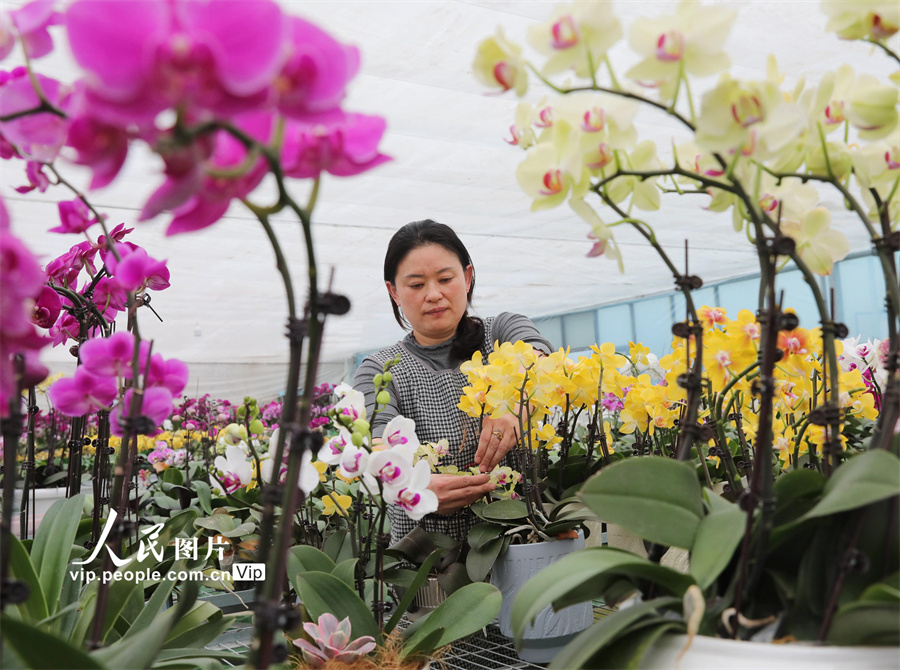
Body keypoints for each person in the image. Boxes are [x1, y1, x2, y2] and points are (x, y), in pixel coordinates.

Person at [353, 219, 552, 544]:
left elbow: (541, 356)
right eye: (416, 285)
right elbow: (379, 450)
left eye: (445, 279)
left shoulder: (502, 331)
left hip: (527, 541)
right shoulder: (381, 370)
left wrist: (518, 403)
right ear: (394, 291)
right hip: (429, 563)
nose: (434, 295)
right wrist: (414, 487)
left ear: (467, 277)